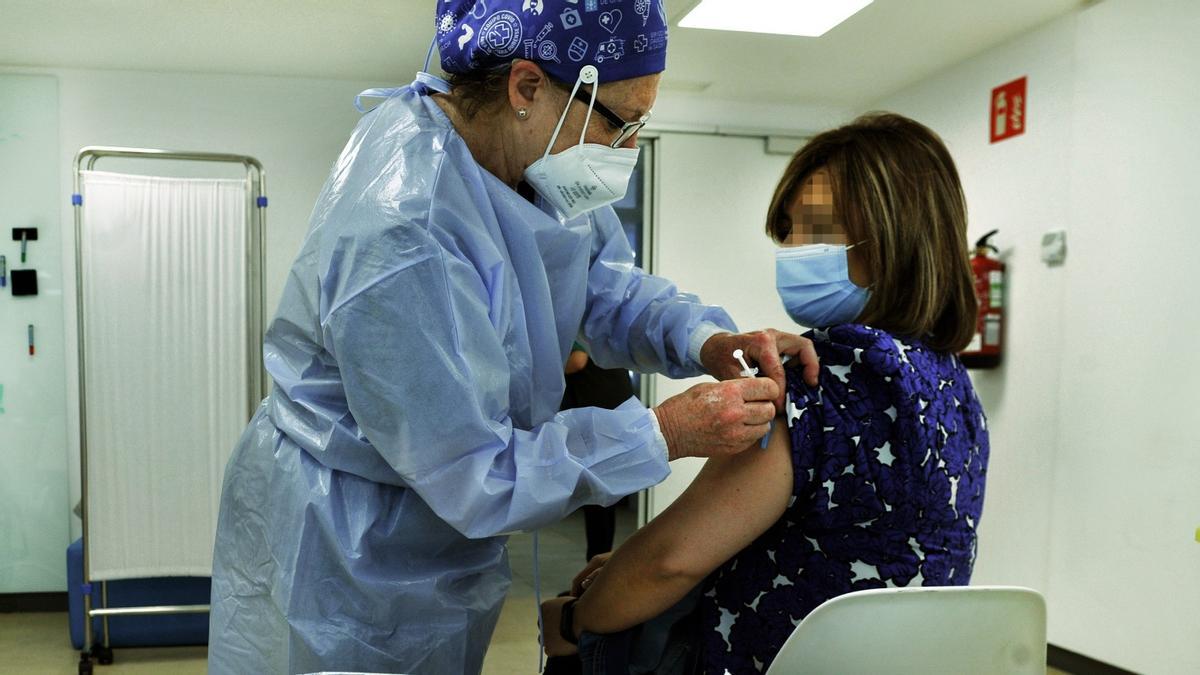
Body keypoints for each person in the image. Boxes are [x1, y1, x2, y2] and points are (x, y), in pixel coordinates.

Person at [207, 2, 819, 673]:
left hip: (440, 537)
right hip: (345, 547)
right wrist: (661, 433)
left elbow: (606, 285)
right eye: (621, 121)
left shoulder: (541, 167)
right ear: (527, 86)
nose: (629, 148)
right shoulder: (401, 233)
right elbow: (476, 471)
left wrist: (702, 338)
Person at [541, 112, 991, 674]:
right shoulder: (949, 382)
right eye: (792, 232)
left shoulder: (820, 375)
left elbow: (669, 563)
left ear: (892, 234)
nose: (795, 251)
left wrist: (570, 622)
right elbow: (839, 539)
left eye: (818, 231)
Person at [561, 345, 636, 561]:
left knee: (599, 501)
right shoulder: (596, 329)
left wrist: (539, 371)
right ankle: (595, 571)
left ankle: (595, 574)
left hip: (603, 419)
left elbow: (576, 361)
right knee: (599, 500)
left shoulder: (579, 322)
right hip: (610, 416)